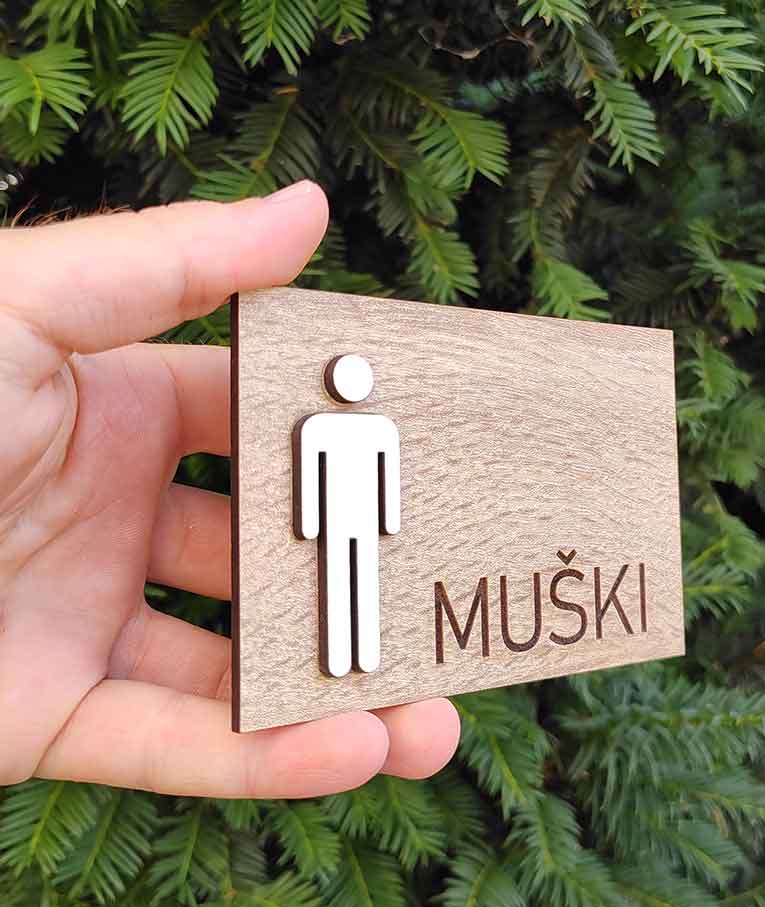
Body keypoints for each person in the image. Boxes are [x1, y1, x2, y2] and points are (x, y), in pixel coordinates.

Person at [0, 180, 460, 797]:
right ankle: (346, 658)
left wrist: (386, 523)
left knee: (362, 595)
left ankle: (360, 661)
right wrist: (313, 524)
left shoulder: (374, 425)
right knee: (336, 595)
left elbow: (384, 474)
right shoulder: (319, 423)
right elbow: (315, 470)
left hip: (358, 526)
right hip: (332, 526)